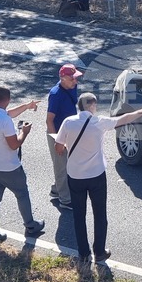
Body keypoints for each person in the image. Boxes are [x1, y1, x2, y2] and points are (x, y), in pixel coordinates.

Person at [55, 93, 142, 264]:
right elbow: (124, 118)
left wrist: (68, 146)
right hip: (96, 175)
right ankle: (99, 251)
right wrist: (141, 111)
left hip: (75, 175)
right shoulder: (99, 122)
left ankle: (83, 253)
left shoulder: (68, 122)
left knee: (79, 215)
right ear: (92, 106)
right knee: (100, 214)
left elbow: (58, 147)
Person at [0, 86, 46, 244]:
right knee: (22, 193)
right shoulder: (5, 121)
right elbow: (14, 145)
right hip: (9, 168)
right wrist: (24, 132)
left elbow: (8, 113)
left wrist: (27, 106)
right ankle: (30, 226)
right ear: (8, 100)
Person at [46, 63, 83, 210]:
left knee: (68, 163)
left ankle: (56, 189)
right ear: (63, 78)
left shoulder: (71, 87)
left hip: (69, 133)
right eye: (72, 79)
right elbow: (49, 120)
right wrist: (58, 141)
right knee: (61, 167)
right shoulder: (56, 94)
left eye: (76, 78)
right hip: (58, 135)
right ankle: (65, 200)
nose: (76, 81)